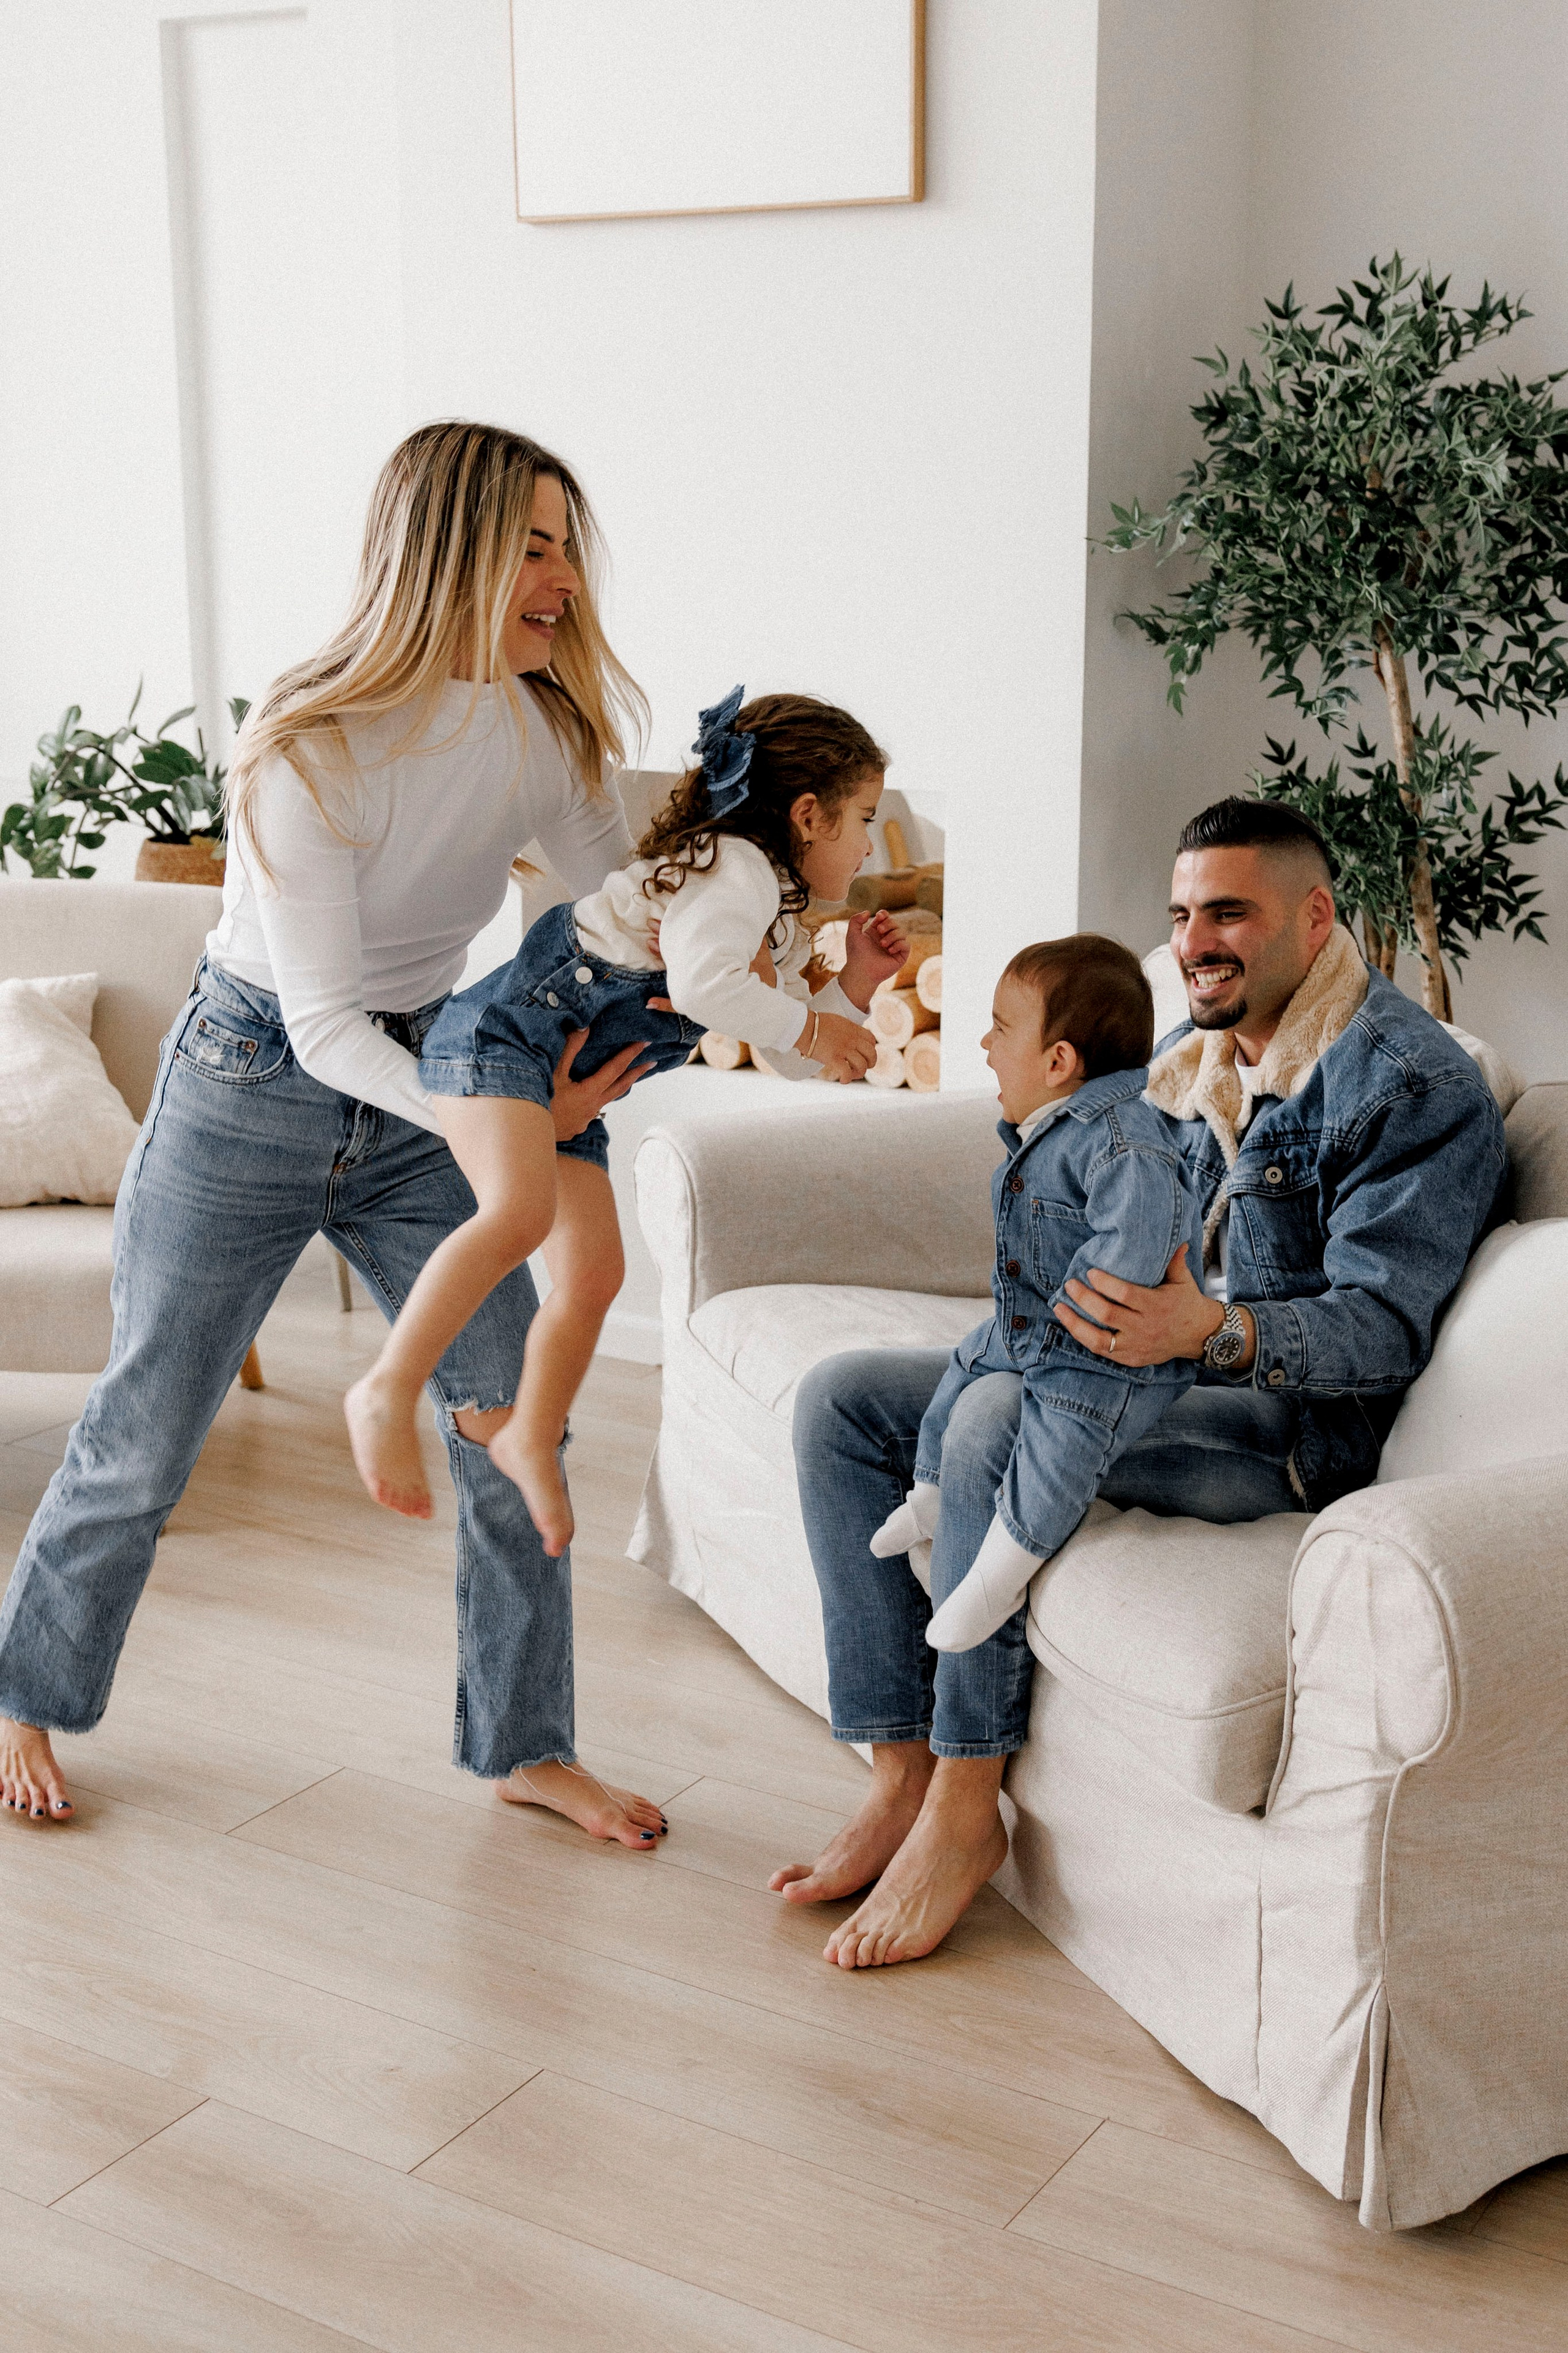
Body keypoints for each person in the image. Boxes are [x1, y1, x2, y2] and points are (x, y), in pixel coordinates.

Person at [0, 420, 676, 1848]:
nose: (561, 577)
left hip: (425, 1069)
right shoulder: (304, 744)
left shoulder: (541, 724)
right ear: (449, 554)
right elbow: (317, 1027)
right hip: (253, 1076)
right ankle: (27, 1697)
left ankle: (523, 1741)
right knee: (143, 1432)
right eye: (532, 546)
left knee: (506, 1419)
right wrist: (502, 1110)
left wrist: (775, 923)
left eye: (568, 544)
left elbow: (633, 910)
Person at [774, 798, 1507, 1966]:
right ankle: (900, 1769)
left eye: (1230, 911)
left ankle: (967, 1807)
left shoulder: (1408, 1086)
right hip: (1129, 1365)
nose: (1196, 939)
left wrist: (1203, 1329)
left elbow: (1379, 1330)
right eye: (1180, 914)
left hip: (1284, 1425)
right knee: (841, 1403)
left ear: (1315, 918)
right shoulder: (1188, 1055)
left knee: (1001, 1424)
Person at [344, 687, 900, 1543]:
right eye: (864, 815)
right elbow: (708, 987)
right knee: (519, 1216)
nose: (870, 840)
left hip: (567, 1076)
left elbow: (785, 1046)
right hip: (506, 1038)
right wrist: (817, 1020)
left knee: (596, 1274)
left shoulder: (778, 915)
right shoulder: (734, 871)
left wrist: (851, 987)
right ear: (809, 814)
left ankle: (531, 1429)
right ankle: (386, 1387)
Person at [871, 934, 1200, 1654]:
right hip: (1030, 1326)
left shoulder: (1127, 1145)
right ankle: (927, 1492)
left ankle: (1000, 1570)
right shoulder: (1052, 1128)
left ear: (1059, 1061)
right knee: (965, 1366)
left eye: (1000, 1027)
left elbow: (1130, 1254)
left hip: (1097, 1354)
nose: (985, 1044)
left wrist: (1064, 1333)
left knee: (1061, 1433)